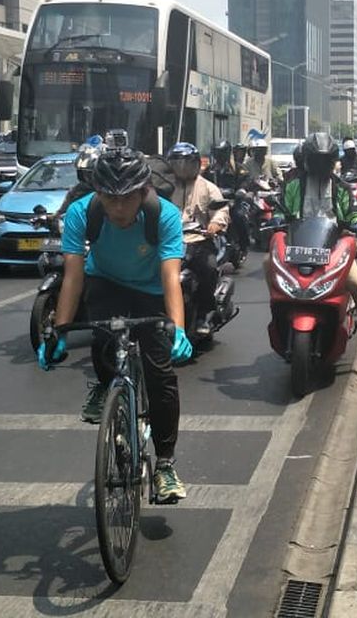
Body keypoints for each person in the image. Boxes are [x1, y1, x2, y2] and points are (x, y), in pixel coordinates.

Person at [37, 147, 190, 503]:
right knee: (104, 333)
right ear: (97, 193)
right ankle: (105, 384)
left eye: (126, 199)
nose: (118, 208)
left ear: (143, 191)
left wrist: (177, 328)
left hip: (152, 289)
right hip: (105, 281)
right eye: (109, 198)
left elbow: (171, 276)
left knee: (161, 373)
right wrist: (58, 330)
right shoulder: (81, 212)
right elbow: (73, 276)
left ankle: (165, 464)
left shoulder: (163, 215)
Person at [275, 133, 357, 359]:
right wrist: (276, 218)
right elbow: (281, 208)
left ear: (332, 161)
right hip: (298, 249)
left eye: (325, 161)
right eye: (316, 160)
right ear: (307, 160)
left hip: (333, 250)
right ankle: (278, 323)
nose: (320, 165)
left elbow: (353, 212)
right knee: (269, 267)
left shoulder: (342, 188)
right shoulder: (294, 185)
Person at [166, 142, 229, 337]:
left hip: (199, 240)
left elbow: (221, 209)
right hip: (170, 241)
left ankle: (203, 314)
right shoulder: (165, 187)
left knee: (208, 268)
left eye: (186, 163)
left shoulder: (207, 187)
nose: (182, 168)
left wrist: (215, 224)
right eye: (177, 163)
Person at [56, 143, 104, 218]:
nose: (88, 176)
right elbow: (62, 212)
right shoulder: (75, 191)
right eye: (84, 173)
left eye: (90, 173)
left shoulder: (107, 191)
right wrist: (49, 219)